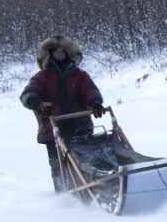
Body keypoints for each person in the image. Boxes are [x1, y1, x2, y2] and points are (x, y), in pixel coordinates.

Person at [19, 35, 105, 193]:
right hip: (53, 129)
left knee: (87, 160)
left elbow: (90, 90)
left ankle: (93, 188)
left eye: (63, 51)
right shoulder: (42, 77)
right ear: (49, 55)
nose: (61, 55)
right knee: (58, 165)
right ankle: (64, 197)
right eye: (57, 52)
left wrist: (95, 102)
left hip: (80, 125)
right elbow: (26, 95)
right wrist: (37, 103)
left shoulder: (79, 75)